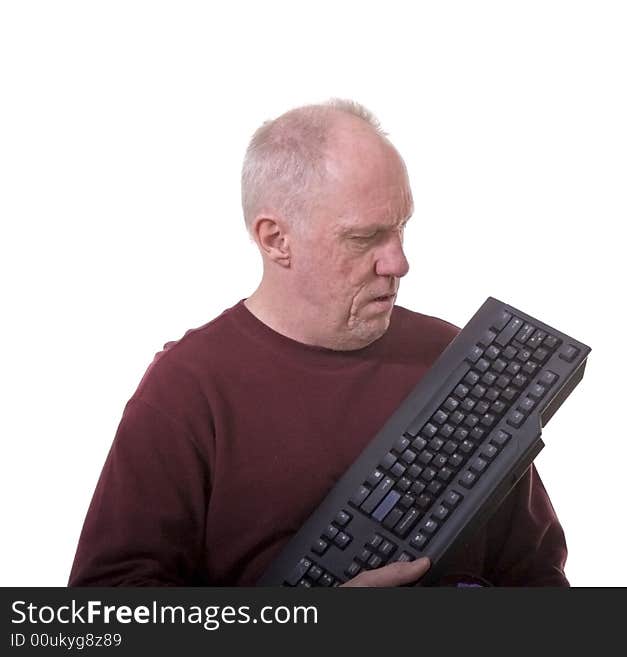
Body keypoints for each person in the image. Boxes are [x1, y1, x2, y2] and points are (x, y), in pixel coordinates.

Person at [69, 100, 569, 586]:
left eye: (399, 229)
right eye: (363, 238)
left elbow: (536, 572)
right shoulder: (187, 389)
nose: (398, 263)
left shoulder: (453, 356)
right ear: (275, 240)